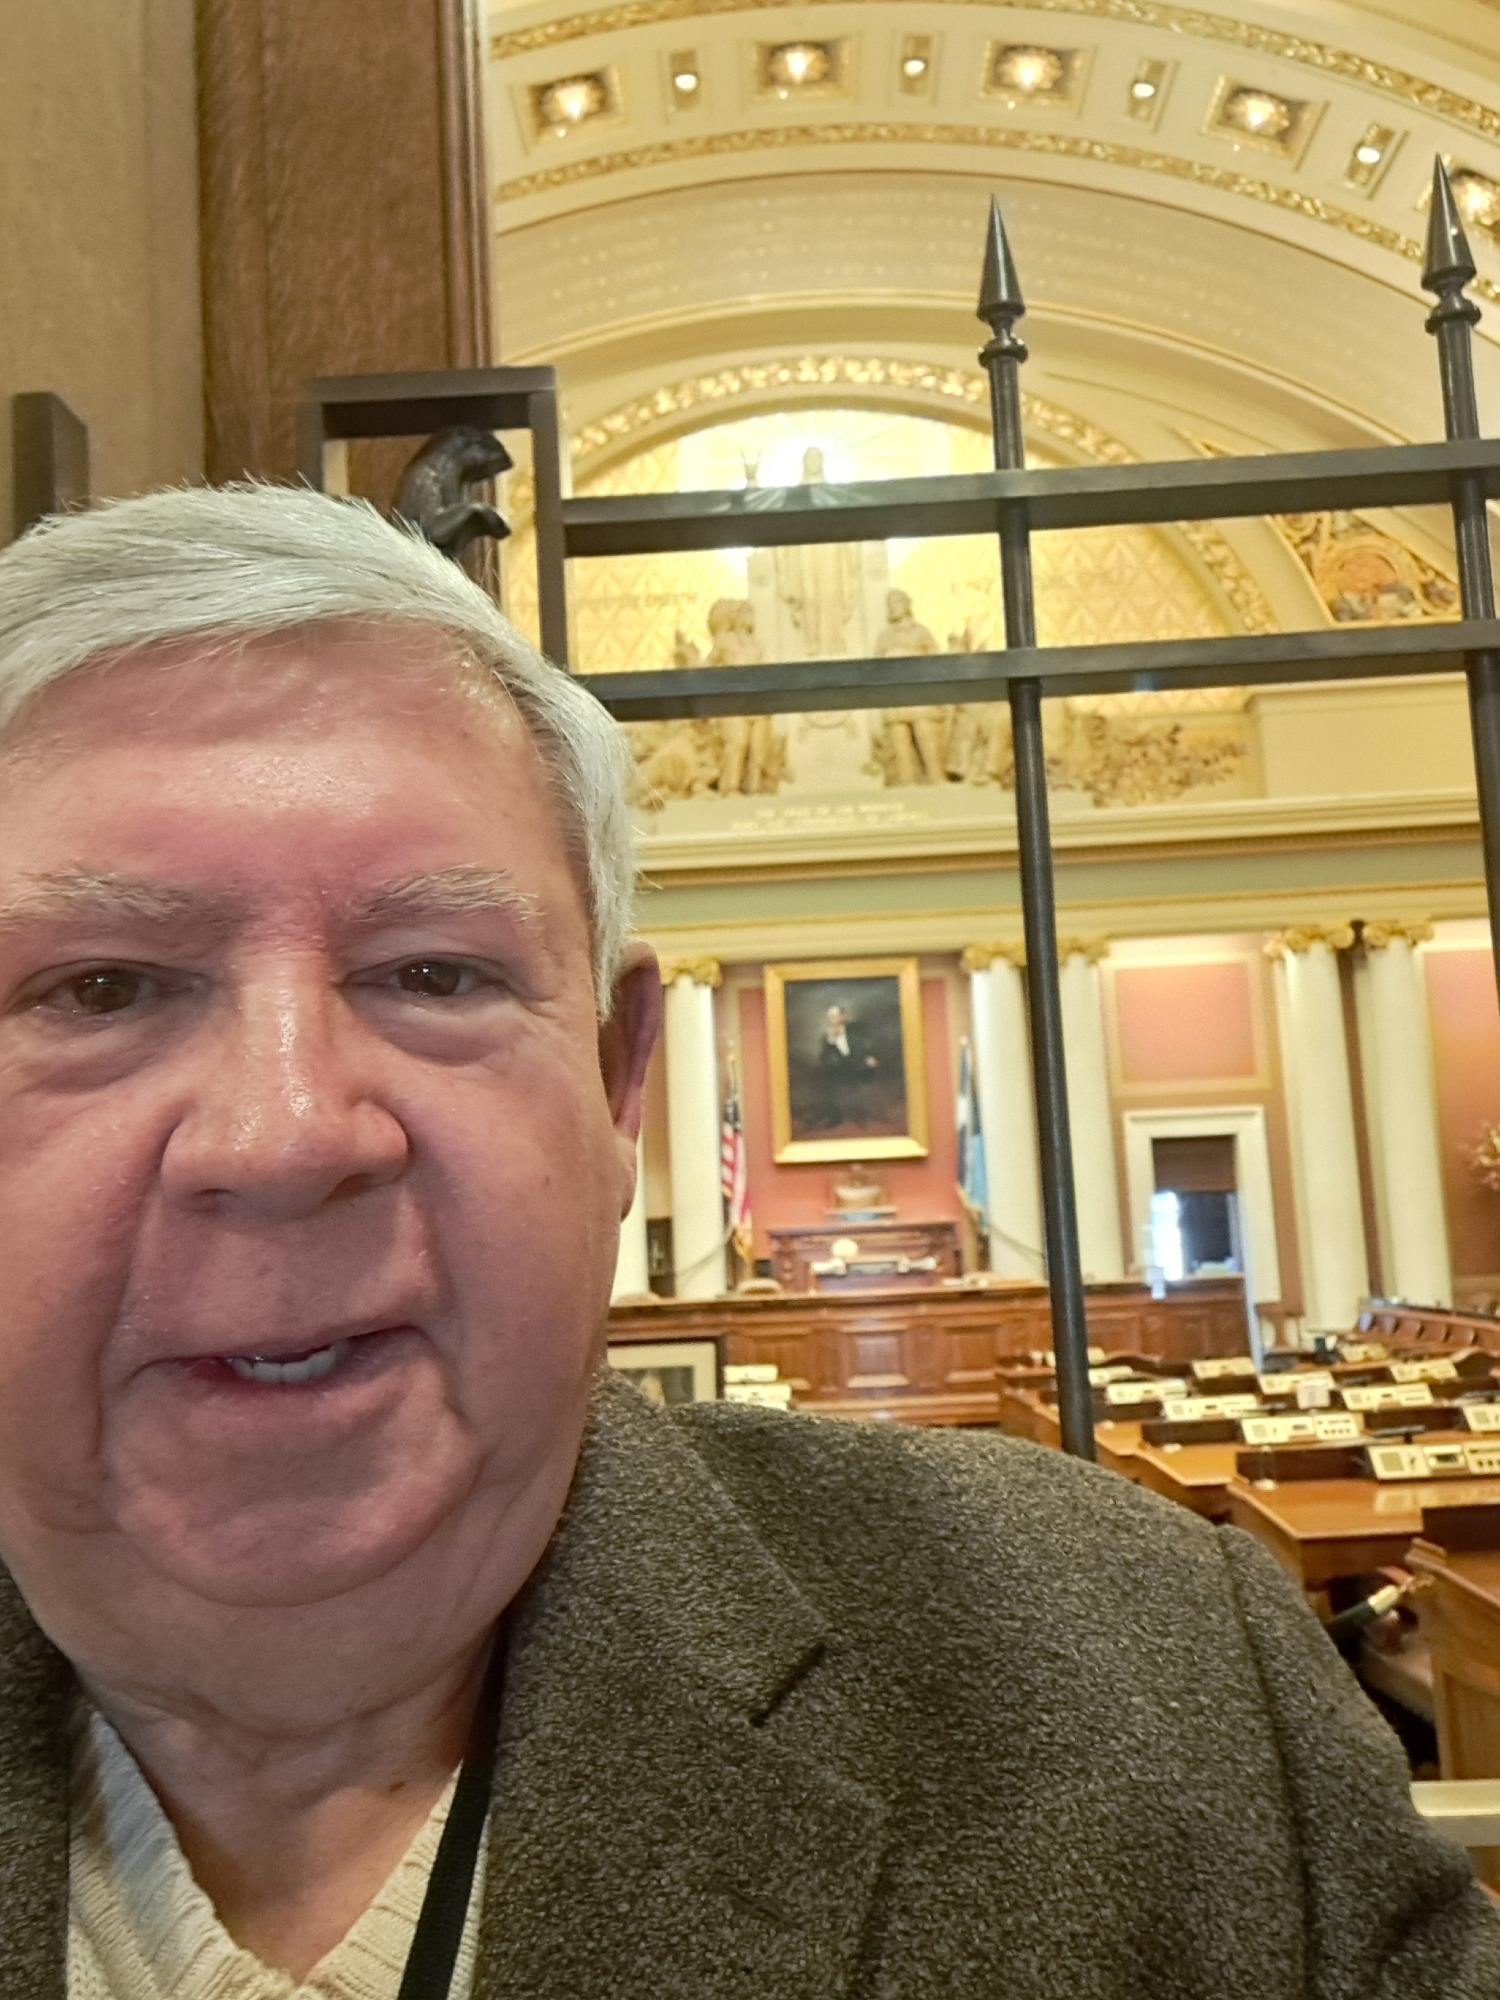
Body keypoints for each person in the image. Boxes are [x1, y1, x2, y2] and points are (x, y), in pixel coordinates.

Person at [0, 485, 1495, 1999]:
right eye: (100, 989)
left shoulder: (1158, 1688)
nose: (287, 1136)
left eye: (433, 974)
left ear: (615, 1082)